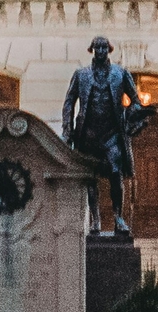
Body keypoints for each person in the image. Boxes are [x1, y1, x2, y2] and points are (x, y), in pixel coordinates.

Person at [60, 34, 150, 237]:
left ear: (109, 50)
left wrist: (134, 117)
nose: (100, 51)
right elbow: (69, 102)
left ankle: (118, 217)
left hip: (112, 135)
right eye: (96, 48)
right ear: (92, 50)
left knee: (116, 174)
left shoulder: (121, 73)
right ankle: (95, 220)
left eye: (103, 48)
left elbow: (135, 100)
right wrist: (67, 130)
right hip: (88, 135)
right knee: (91, 178)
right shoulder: (81, 75)